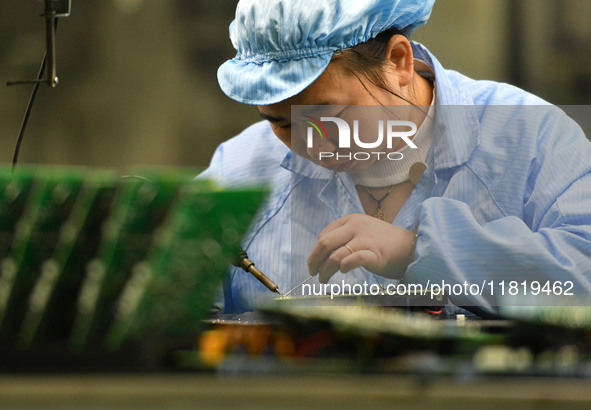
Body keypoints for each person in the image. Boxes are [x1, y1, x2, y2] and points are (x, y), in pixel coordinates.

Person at [199, 0, 591, 315]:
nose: (310, 146)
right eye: (282, 125)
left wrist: (418, 251)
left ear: (398, 62)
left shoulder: (530, 139)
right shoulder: (239, 171)